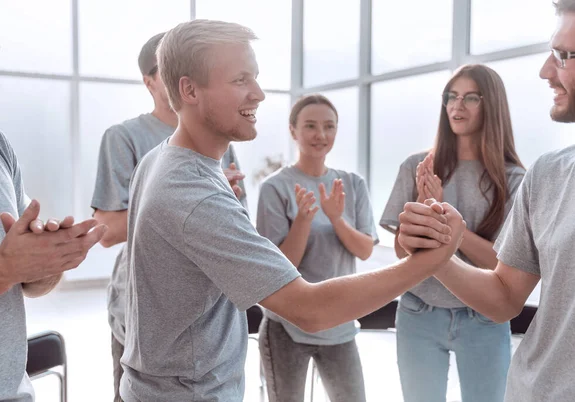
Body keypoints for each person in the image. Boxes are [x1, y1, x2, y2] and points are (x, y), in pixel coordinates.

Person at [119, 19, 466, 402]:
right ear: (189, 89)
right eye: (240, 80)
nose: (259, 94)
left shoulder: (159, 158)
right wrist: (431, 261)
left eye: (255, 78)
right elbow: (309, 309)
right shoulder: (193, 191)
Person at [397, 0, 575, 400]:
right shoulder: (549, 174)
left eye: (562, 55)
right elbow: (505, 297)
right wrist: (442, 250)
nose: (546, 71)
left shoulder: (515, 176)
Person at [90, 32, 247, 402]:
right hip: (147, 313)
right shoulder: (124, 137)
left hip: (210, 314)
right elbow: (107, 229)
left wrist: (214, 195)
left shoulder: (217, 135)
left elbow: (238, 216)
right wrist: (189, 197)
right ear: (149, 81)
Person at [380, 64, 526, 402]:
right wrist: (423, 206)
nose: (457, 106)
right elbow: (403, 256)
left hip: (485, 318)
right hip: (419, 312)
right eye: (451, 97)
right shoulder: (418, 166)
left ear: (492, 105)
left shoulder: (515, 180)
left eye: (470, 98)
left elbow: (500, 262)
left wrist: (449, 226)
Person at [256, 94, 377, 402]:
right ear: (293, 131)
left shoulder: (352, 183)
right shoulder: (275, 187)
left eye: (329, 126)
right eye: (310, 126)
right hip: (287, 325)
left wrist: (336, 218)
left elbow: (364, 250)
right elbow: (279, 268)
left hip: (339, 324)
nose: (320, 135)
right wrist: (303, 222)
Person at [0, 131, 106, 401]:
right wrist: (6, 270)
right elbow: (7, 269)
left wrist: (49, 259)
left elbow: (28, 284)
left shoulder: (2, 146)